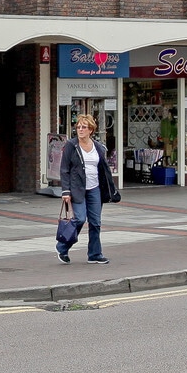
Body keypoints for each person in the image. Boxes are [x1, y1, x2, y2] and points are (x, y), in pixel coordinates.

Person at [55, 113, 117, 266]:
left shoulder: (98, 146)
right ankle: (62, 246)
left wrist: (110, 188)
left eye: (84, 127)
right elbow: (64, 170)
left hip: (94, 188)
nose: (80, 130)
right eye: (78, 127)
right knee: (80, 218)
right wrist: (65, 191)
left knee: (95, 222)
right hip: (77, 189)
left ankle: (95, 254)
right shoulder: (71, 145)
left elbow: (103, 169)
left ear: (91, 130)